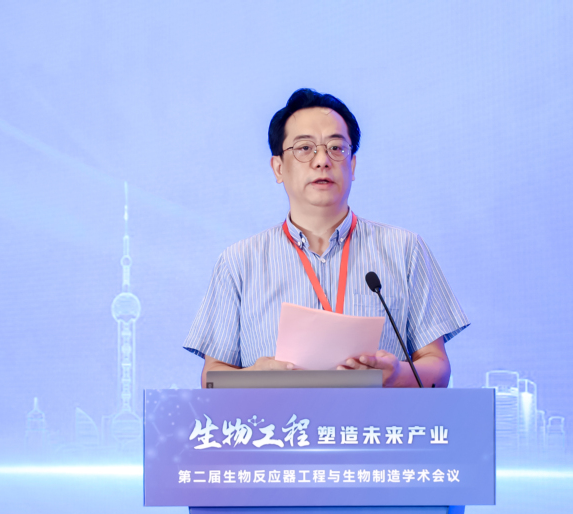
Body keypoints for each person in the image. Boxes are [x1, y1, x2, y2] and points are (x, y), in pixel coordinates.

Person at [184, 89, 469, 388]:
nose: (322, 160)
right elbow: (211, 379)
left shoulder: (404, 249)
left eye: (336, 147)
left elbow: (438, 369)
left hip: (375, 418)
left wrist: (397, 374)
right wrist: (256, 377)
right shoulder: (239, 262)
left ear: (352, 165)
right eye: (305, 148)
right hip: (278, 418)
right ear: (278, 168)